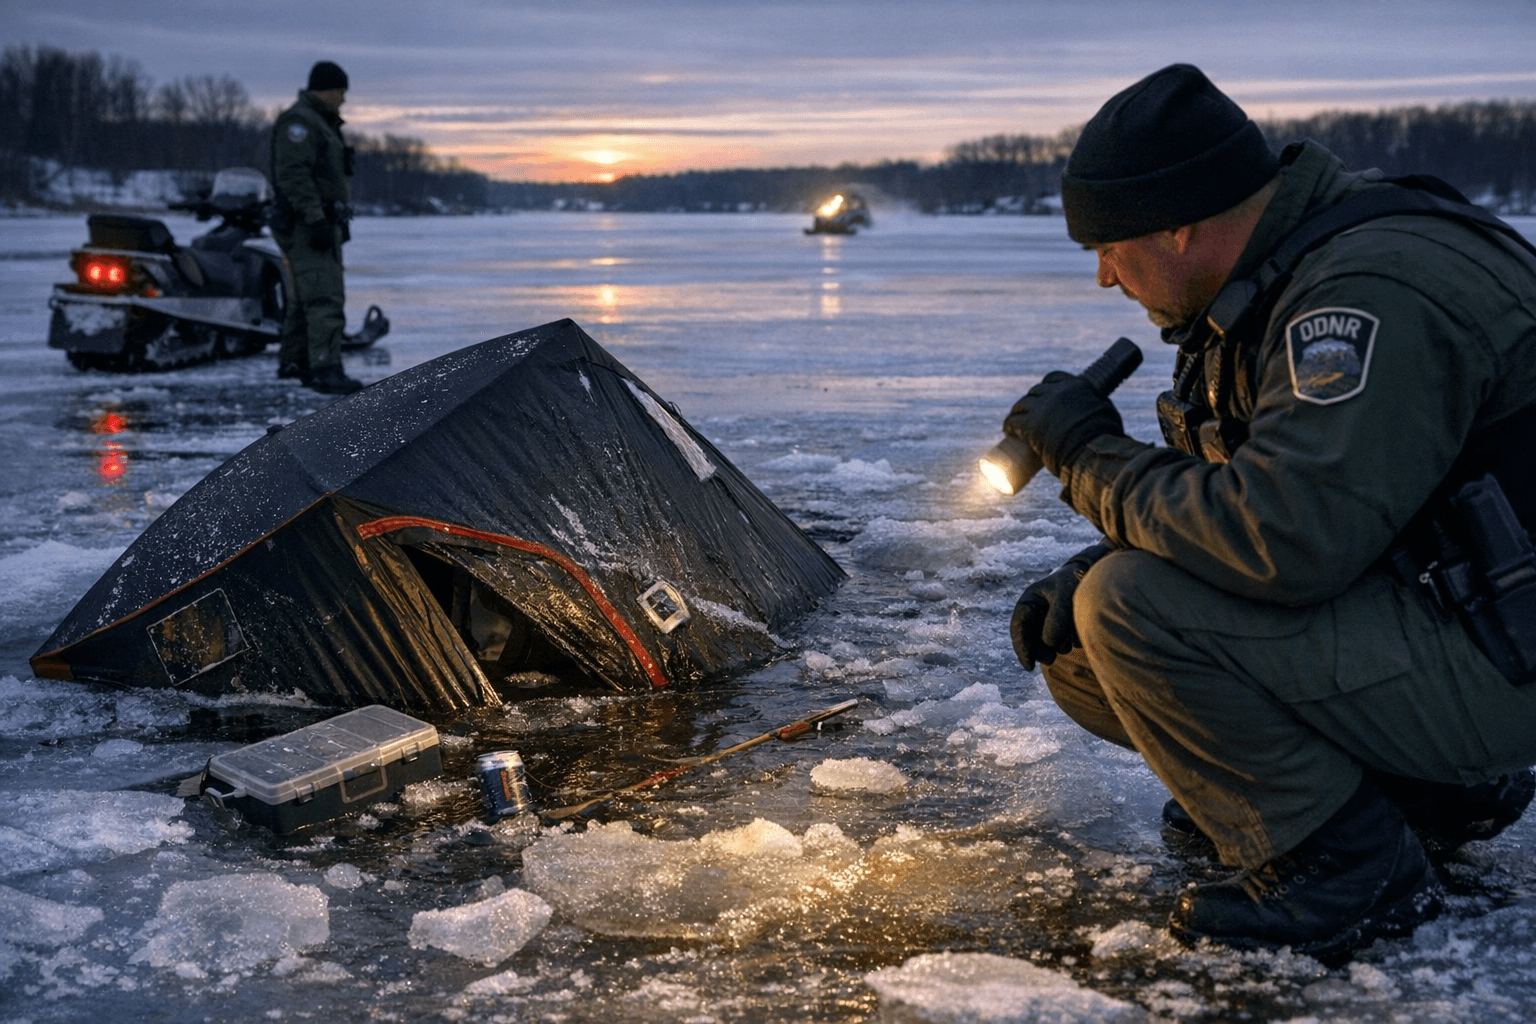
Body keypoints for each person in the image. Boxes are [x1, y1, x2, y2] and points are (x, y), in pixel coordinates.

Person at [1001, 63, 1536, 960]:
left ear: (1182, 224)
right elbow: (1330, 500)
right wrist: (1091, 558)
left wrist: (1092, 459)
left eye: (1111, 247)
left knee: (1129, 612)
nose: (1103, 277)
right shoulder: (1286, 274)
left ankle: (1346, 867)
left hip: (1506, 655)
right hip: (1473, 617)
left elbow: (1285, 539)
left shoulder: (1367, 292)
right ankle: (1408, 795)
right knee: (1086, 643)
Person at [270, 60, 363, 395]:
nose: (343, 100)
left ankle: (297, 361)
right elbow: (294, 175)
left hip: (318, 222)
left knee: (304, 296)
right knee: (323, 295)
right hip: (307, 225)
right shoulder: (302, 123)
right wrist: (315, 218)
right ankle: (325, 367)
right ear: (325, 89)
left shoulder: (318, 122)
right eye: (341, 92)